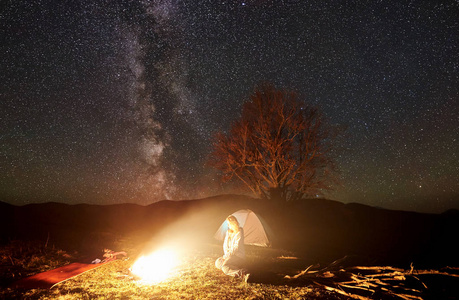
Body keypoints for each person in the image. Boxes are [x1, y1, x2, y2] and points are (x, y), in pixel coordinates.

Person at [215, 215, 250, 283]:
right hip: (229, 256)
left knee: (224, 267)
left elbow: (236, 247)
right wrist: (225, 256)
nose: (228, 225)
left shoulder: (239, 231)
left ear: (233, 223)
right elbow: (225, 245)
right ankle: (233, 266)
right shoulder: (228, 232)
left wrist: (227, 257)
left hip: (238, 256)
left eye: (229, 223)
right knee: (217, 262)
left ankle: (243, 273)